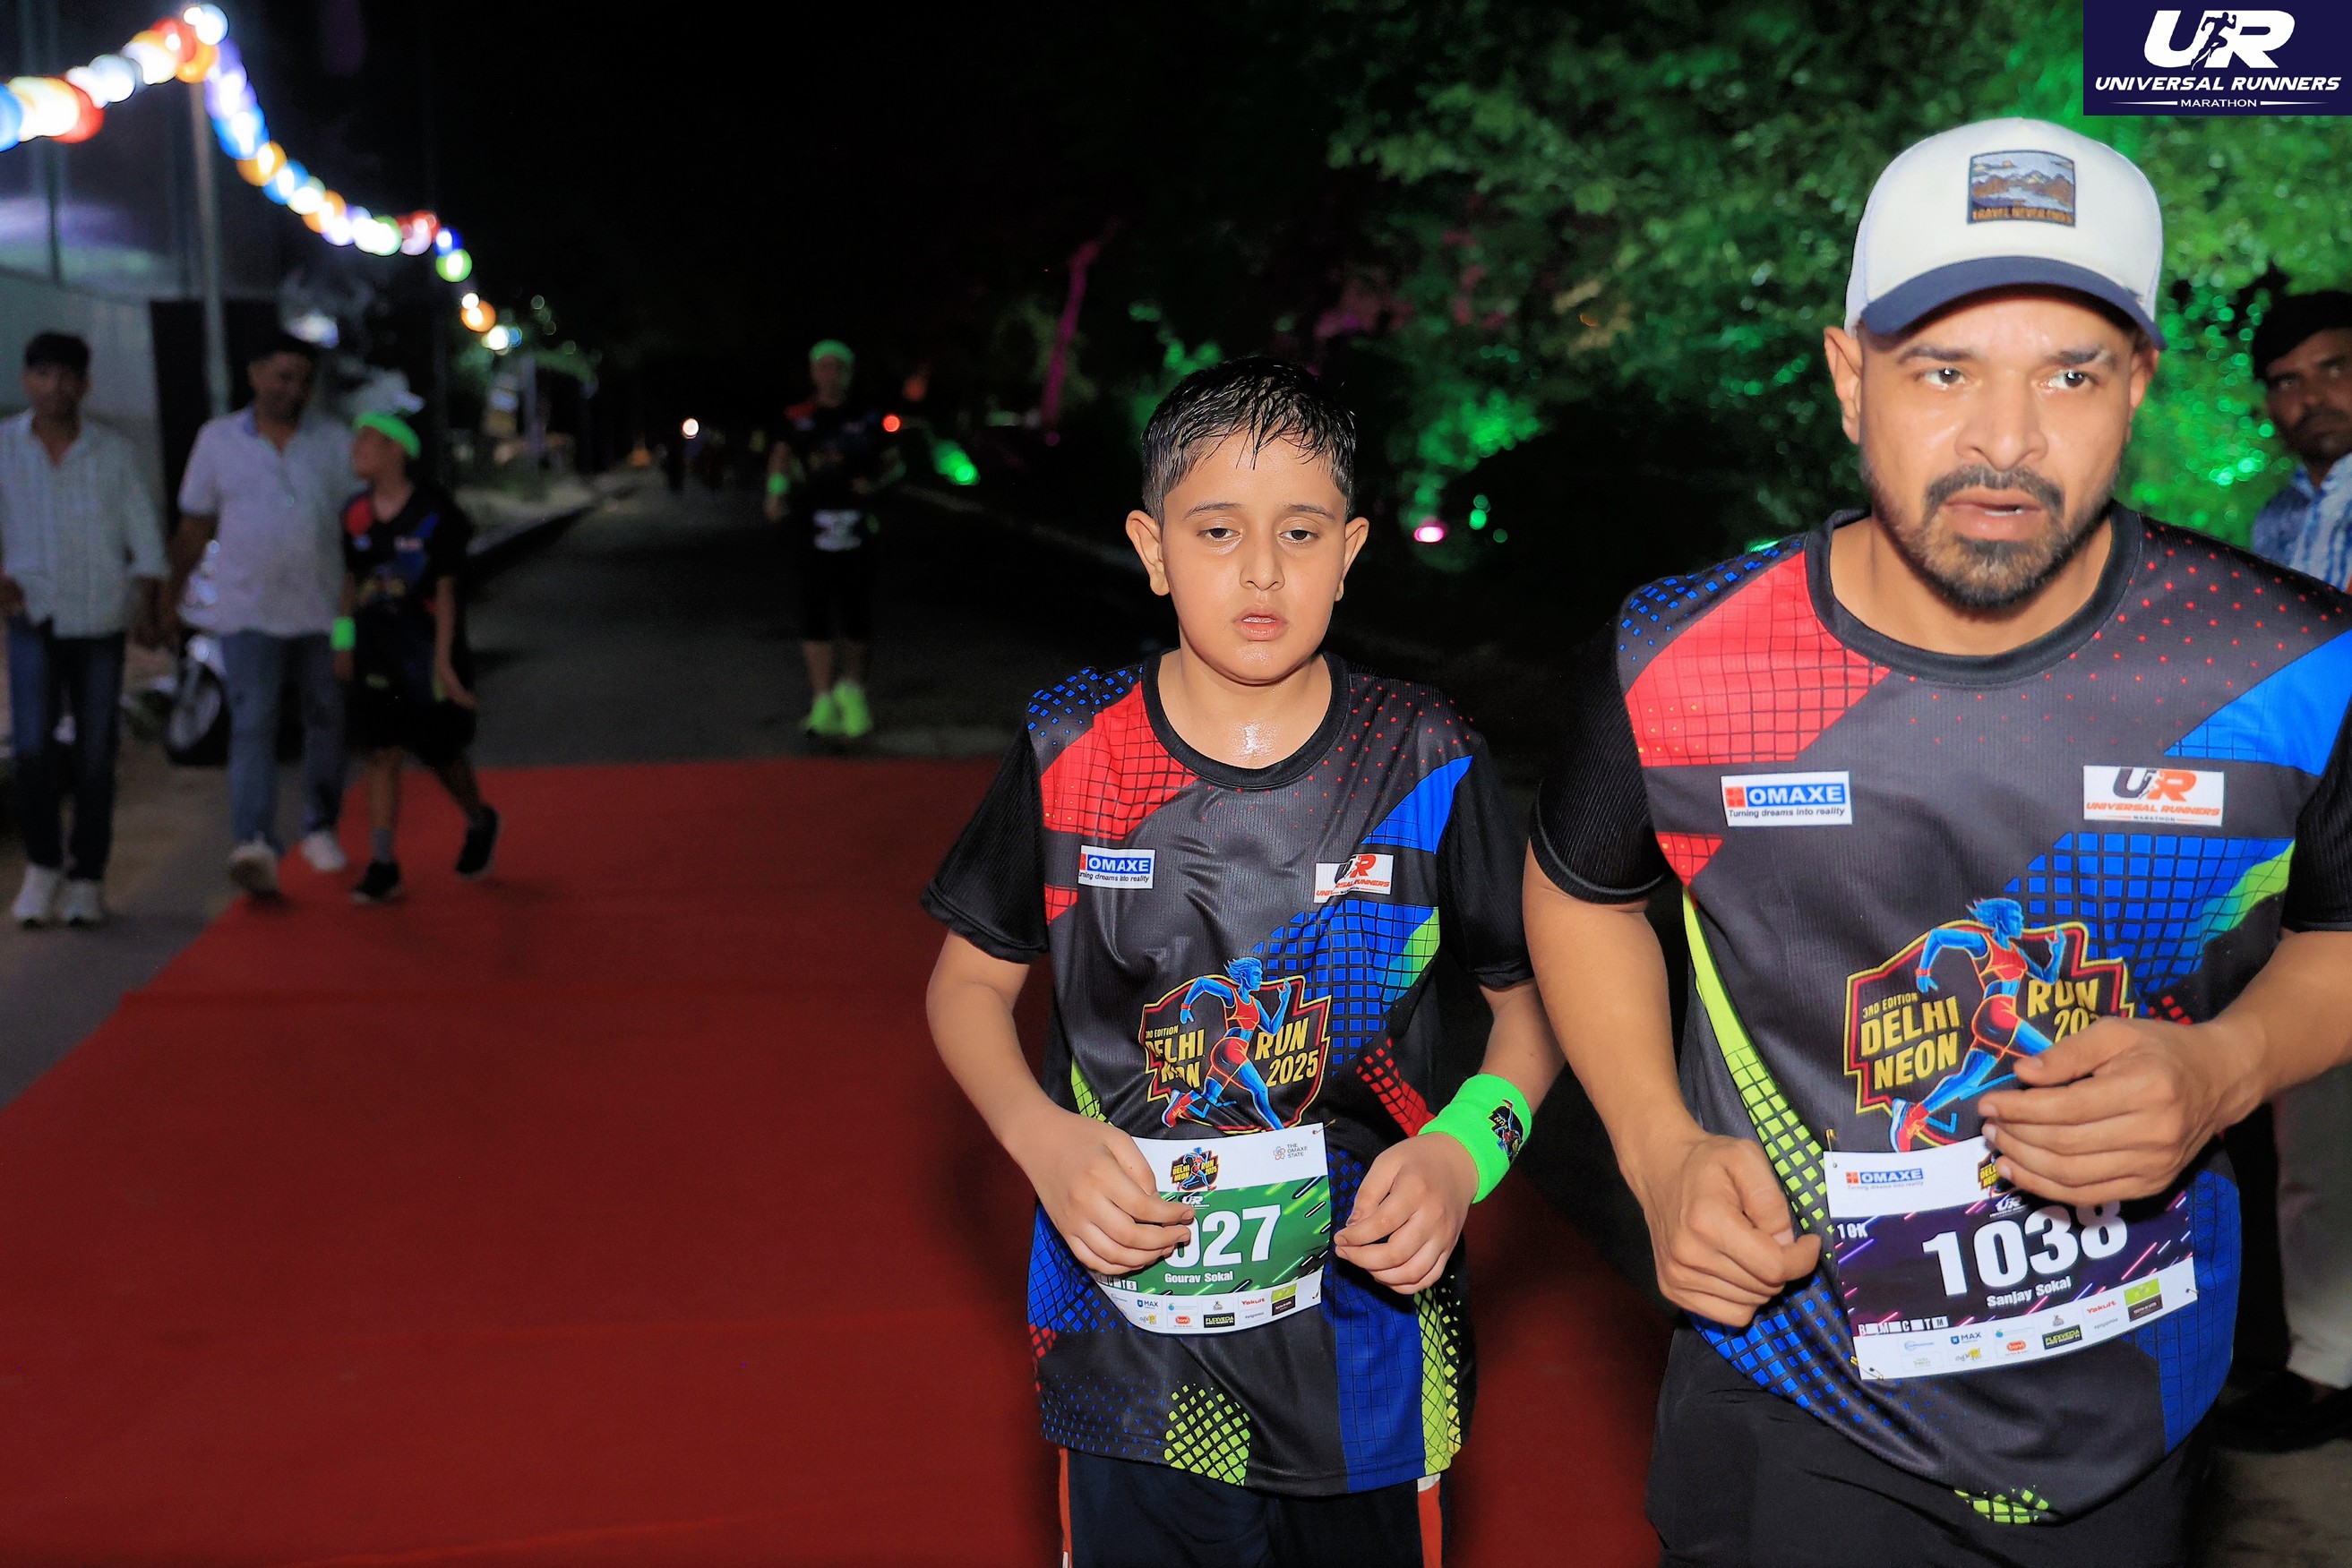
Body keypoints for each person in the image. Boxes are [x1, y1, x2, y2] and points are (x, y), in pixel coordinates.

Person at [1523, 118, 2352, 1564]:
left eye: (2069, 373)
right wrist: (1656, 1148)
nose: (2003, 442)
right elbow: (1579, 890)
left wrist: (2225, 1065)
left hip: (2132, 1389)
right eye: (1942, 369)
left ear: (2138, 383)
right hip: (1792, 1382)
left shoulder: (2292, 666)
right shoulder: (1679, 661)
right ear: (1849, 377)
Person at [923, 356, 1559, 1567]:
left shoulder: (1425, 757)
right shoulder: (1071, 746)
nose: (1261, 568)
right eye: (1217, 529)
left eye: (1300, 531)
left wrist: (1463, 1153)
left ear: (1350, 549)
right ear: (1152, 548)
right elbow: (965, 984)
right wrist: (1038, 1135)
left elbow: (1532, 1012)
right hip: (1128, 1346)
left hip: (1368, 1348)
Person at [2218, 289, 2352, 1452]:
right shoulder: (2272, 523)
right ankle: (2322, 1364)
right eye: (2287, 380)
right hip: (2313, 845)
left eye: (2333, 368)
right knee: (2312, 1115)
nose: (2310, 396)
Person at [169, 334, 352, 898]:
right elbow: (194, 527)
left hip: (322, 611)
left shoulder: (335, 442)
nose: (291, 391)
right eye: (281, 377)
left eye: (303, 381)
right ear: (254, 375)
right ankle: (253, 840)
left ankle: (320, 826)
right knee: (253, 724)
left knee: (327, 720)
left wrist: (354, 615)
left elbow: (357, 529)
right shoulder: (217, 440)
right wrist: (166, 597)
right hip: (247, 612)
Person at [0, 330, 167, 927]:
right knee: (31, 749)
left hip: (99, 617)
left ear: (85, 384)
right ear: (27, 380)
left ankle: (87, 877)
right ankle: (43, 864)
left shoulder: (111, 452)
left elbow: (144, 531)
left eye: (68, 376)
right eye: (44, 374)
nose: (56, 387)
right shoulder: (5, 447)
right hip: (32, 614)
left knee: (97, 754)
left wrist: (152, 605)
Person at [334, 410, 500, 905]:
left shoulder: (435, 514)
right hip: (375, 654)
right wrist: (342, 640)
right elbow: (351, 581)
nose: (356, 448)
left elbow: (447, 593)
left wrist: (445, 664)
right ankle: (383, 864)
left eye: (368, 440)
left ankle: (479, 818)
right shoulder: (354, 515)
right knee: (382, 753)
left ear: (397, 450)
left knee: (441, 754)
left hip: (423, 654)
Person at [765, 339, 899, 741]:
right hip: (812, 526)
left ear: (848, 373)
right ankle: (822, 699)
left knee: (856, 612)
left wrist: (873, 483)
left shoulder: (869, 416)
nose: (830, 374)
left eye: (837, 367)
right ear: (813, 373)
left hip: (856, 525)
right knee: (815, 612)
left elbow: (894, 463)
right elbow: (781, 458)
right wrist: (775, 493)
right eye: (822, 367)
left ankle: (852, 691)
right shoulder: (798, 417)